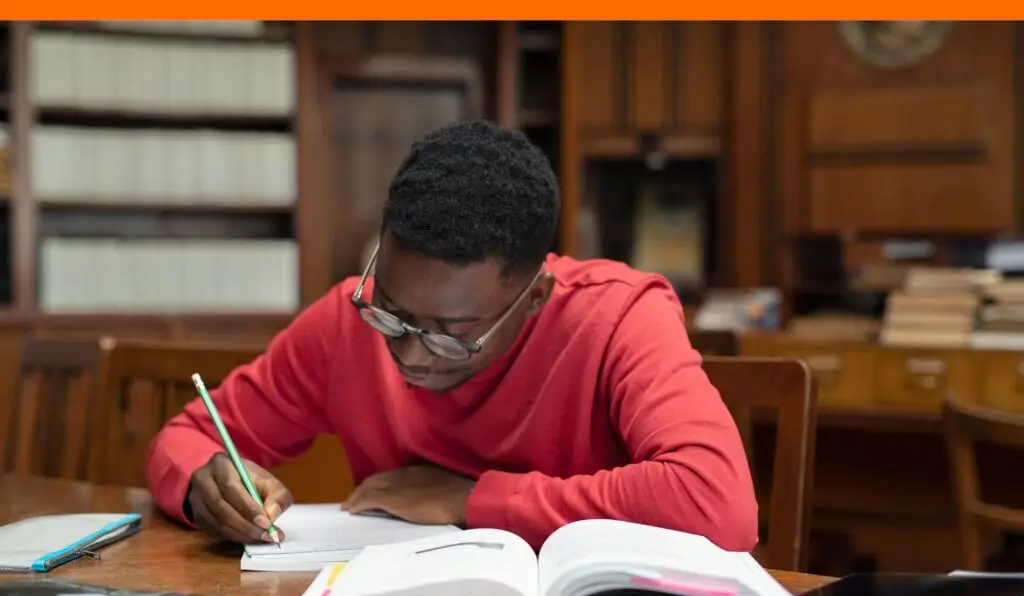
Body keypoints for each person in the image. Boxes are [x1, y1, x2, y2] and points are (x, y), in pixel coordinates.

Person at [145, 120, 758, 552]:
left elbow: (715, 501)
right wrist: (205, 485)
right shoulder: (344, 323)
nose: (408, 352)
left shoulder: (618, 317)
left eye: (451, 334)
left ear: (534, 297)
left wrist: (474, 501)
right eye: (389, 309)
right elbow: (188, 437)